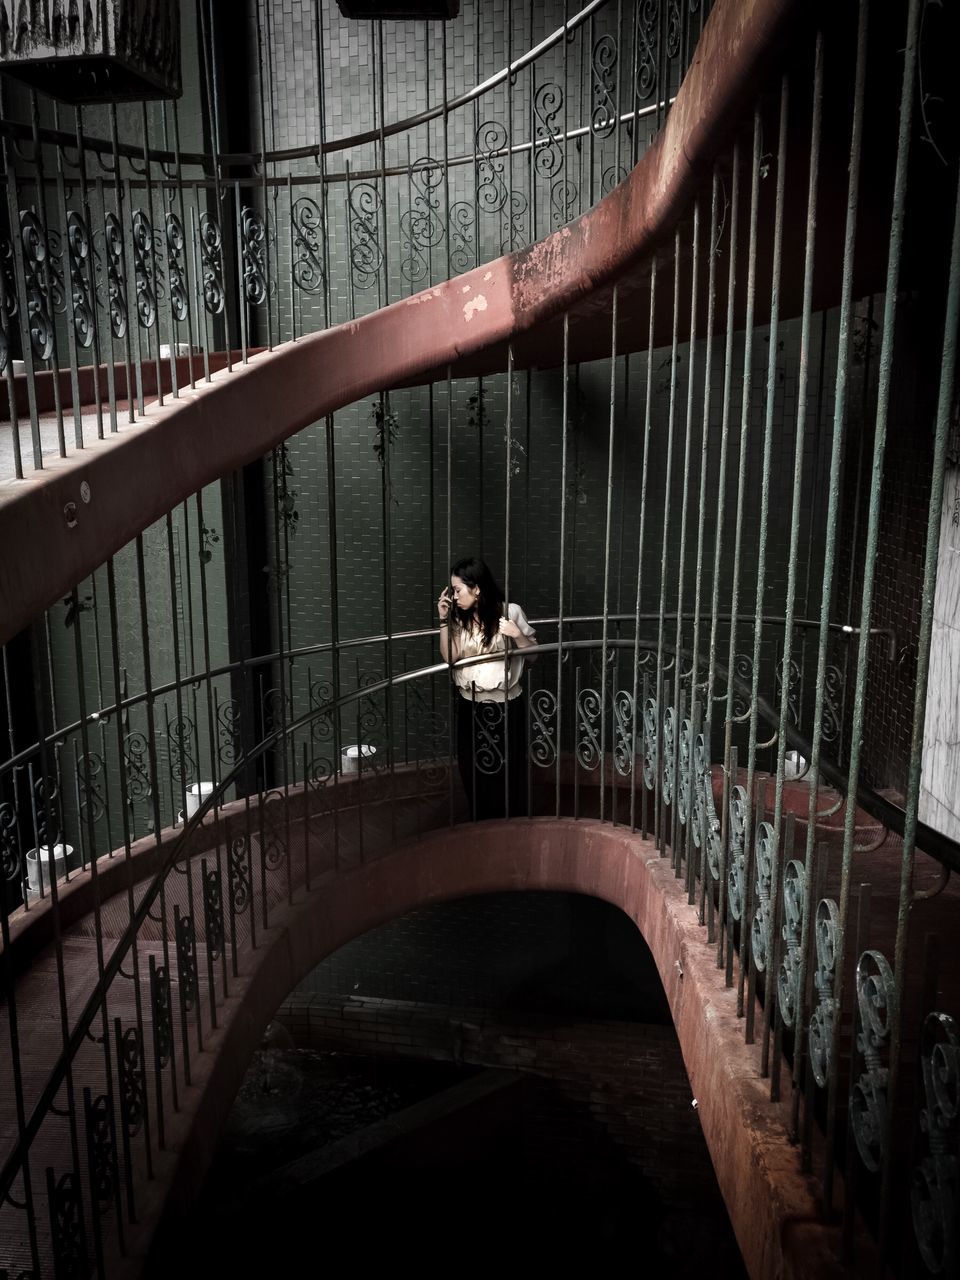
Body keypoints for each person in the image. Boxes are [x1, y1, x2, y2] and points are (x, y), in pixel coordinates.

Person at [437, 557, 537, 820]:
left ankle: (510, 819)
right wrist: (443, 620)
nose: (454, 595)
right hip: (470, 703)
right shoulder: (460, 617)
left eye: (458, 589)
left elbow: (534, 655)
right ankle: (480, 819)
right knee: (472, 765)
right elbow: (451, 657)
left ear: (477, 588)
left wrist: (517, 635)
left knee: (507, 765)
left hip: (505, 704)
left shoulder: (511, 611)